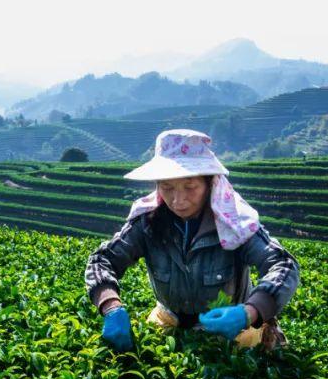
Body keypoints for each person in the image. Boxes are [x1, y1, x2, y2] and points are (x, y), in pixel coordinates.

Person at [85, 129, 299, 351]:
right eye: (167, 187)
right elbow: (102, 260)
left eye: (190, 187)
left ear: (209, 185)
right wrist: (111, 306)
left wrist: (251, 311)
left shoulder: (235, 224)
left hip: (235, 331)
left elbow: (283, 265)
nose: (178, 200)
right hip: (169, 323)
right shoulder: (147, 223)